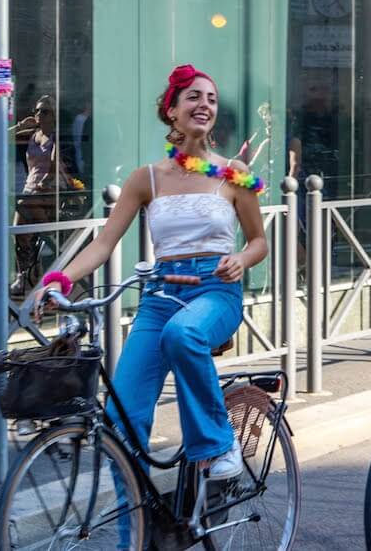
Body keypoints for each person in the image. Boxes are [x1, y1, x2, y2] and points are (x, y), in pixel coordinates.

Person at [35, 64, 268, 483]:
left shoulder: (232, 173)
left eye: (211, 99)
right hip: (160, 297)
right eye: (194, 97)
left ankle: (218, 443)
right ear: (172, 111)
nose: (205, 105)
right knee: (121, 425)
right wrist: (60, 280)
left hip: (216, 291)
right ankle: (140, 534)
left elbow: (258, 243)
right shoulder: (147, 179)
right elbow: (104, 243)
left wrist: (242, 260)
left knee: (184, 334)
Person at [10, 95, 72, 296]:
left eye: (44, 111)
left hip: (50, 192)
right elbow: (1, 139)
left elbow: (54, 167)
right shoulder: (32, 134)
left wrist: (44, 183)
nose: (39, 114)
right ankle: (24, 273)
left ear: (53, 115)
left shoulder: (56, 136)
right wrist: (20, 125)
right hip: (30, 192)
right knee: (18, 230)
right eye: (37, 110)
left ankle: (49, 254)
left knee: (28, 216)